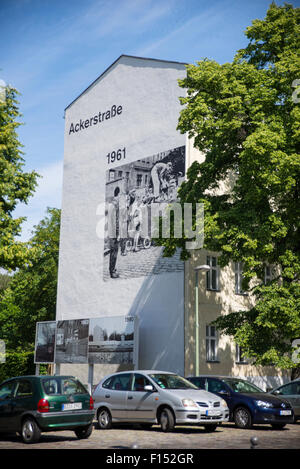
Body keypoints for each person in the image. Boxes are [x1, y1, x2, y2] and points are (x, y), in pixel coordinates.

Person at [107, 187, 121, 278]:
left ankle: (112, 269)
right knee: (114, 252)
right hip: (114, 233)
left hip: (110, 232)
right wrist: (118, 234)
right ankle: (112, 272)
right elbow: (116, 220)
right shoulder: (115, 205)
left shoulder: (111, 204)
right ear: (118, 194)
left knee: (113, 251)